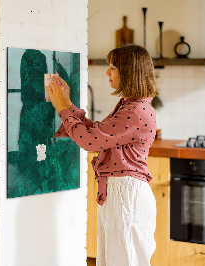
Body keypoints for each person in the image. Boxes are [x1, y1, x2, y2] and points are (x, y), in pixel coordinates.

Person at [46, 44, 158, 266]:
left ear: (129, 72)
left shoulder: (135, 111)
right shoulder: (131, 106)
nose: (107, 72)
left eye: (113, 67)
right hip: (121, 193)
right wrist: (67, 104)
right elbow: (97, 133)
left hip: (126, 196)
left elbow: (89, 141)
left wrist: (61, 108)